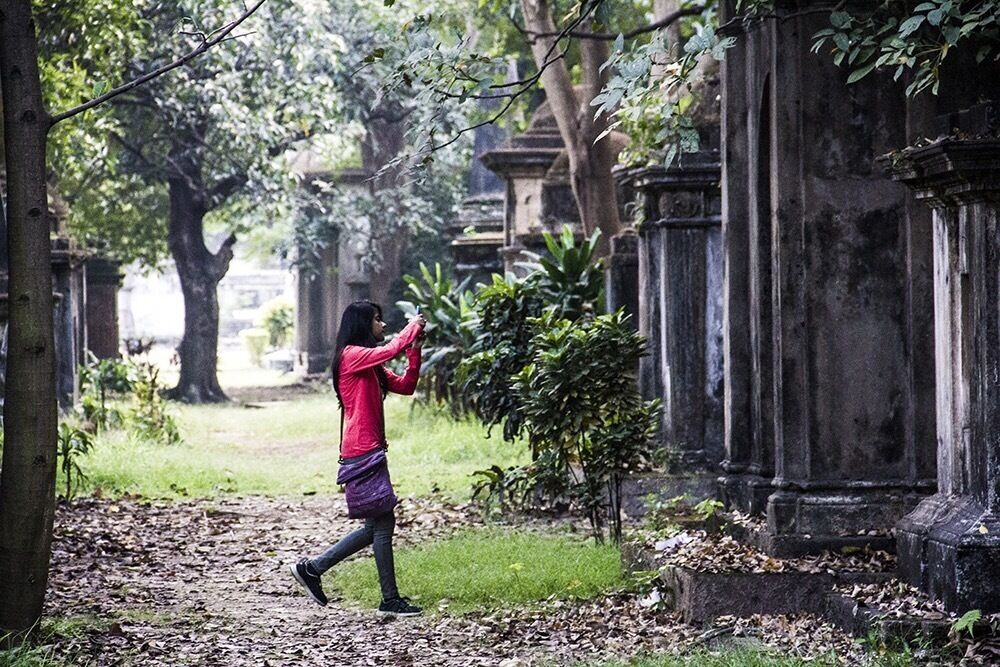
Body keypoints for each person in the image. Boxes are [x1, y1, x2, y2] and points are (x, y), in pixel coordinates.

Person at [290, 300, 426, 618]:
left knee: (375, 525)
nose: (383, 326)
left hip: (369, 449)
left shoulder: (369, 364)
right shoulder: (352, 356)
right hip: (363, 450)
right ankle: (387, 599)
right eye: (378, 320)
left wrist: (414, 349)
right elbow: (391, 347)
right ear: (363, 325)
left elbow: (406, 386)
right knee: (382, 522)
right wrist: (413, 327)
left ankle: (313, 568)